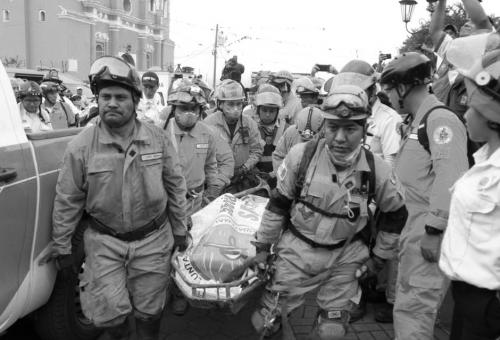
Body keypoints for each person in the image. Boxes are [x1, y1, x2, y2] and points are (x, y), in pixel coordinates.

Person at [39, 56, 188, 340]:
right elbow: (67, 199)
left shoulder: (157, 139)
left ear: (135, 101)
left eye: (120, 97)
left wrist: (180, 229)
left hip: (153, 240)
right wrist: (62, 247)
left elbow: (175, 186)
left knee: (150, 314)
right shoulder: (81, 146)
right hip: (104, 243)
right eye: (105, 96)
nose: (111, 103)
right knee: (109, 317)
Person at [251, 84, 408, 339]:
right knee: (266, 322)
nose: (340, 138)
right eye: (333, 127)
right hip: (295, 253)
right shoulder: (301, 157)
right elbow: (278, 205)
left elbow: (396, 215)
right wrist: (261, 249)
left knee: (332, 330)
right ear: (325, 126)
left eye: (351, 129)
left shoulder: (376, 170)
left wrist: (378, 259)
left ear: (364, 128)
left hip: (345, 257)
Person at [379, 52, 469, 340]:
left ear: (403, 88)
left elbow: (451, 177)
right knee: (408, 310)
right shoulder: (418, 122)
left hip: (427, 237)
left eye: (390, 90)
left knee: (415, 313)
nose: (388, 97)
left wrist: (434, 229)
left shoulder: (440, 120)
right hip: (414, 232)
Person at [438, 48, 500, 340]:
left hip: (490, 308)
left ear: (492, 116)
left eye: (471, 106)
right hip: (468, 300)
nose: (464, 113)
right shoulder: (486, 161)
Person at [163, 81, 222, 315]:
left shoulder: (207, 133)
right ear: (173, 109)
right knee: (165, 248)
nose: (188, 114)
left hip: (196, 201)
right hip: (166, 202)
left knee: (188, 247)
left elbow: (211, 165)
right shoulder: (160, 132)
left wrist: (212, 193)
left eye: (194, 109)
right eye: (183, 108)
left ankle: (180, 293)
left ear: (200, 111)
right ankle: (161, 290)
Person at [204, 79, 263, 193]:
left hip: (242, 178)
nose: (236, 108)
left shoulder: (250, 123)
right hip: (217, 179)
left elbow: (257, 151)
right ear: (220, 104)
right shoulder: (209, 123)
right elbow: (203, 155)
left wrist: (244, 168)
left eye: (238, 103)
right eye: (230, 104)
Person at [272, 106, 324, 171]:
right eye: (303, 139)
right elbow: (278, 156)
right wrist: (285, 175)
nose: (306, 142)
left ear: (321, 129)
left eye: (311, 139)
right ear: (297, 126)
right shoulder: (290, 132)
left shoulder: (326, 137)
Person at [254, 84, 286, 188]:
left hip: (280, 180)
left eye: (272, 111)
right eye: (264, 110)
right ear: (258, 109)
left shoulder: (286, 129)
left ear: (277, 111)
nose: (268, 114)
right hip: (255, 179)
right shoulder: (250, 127)